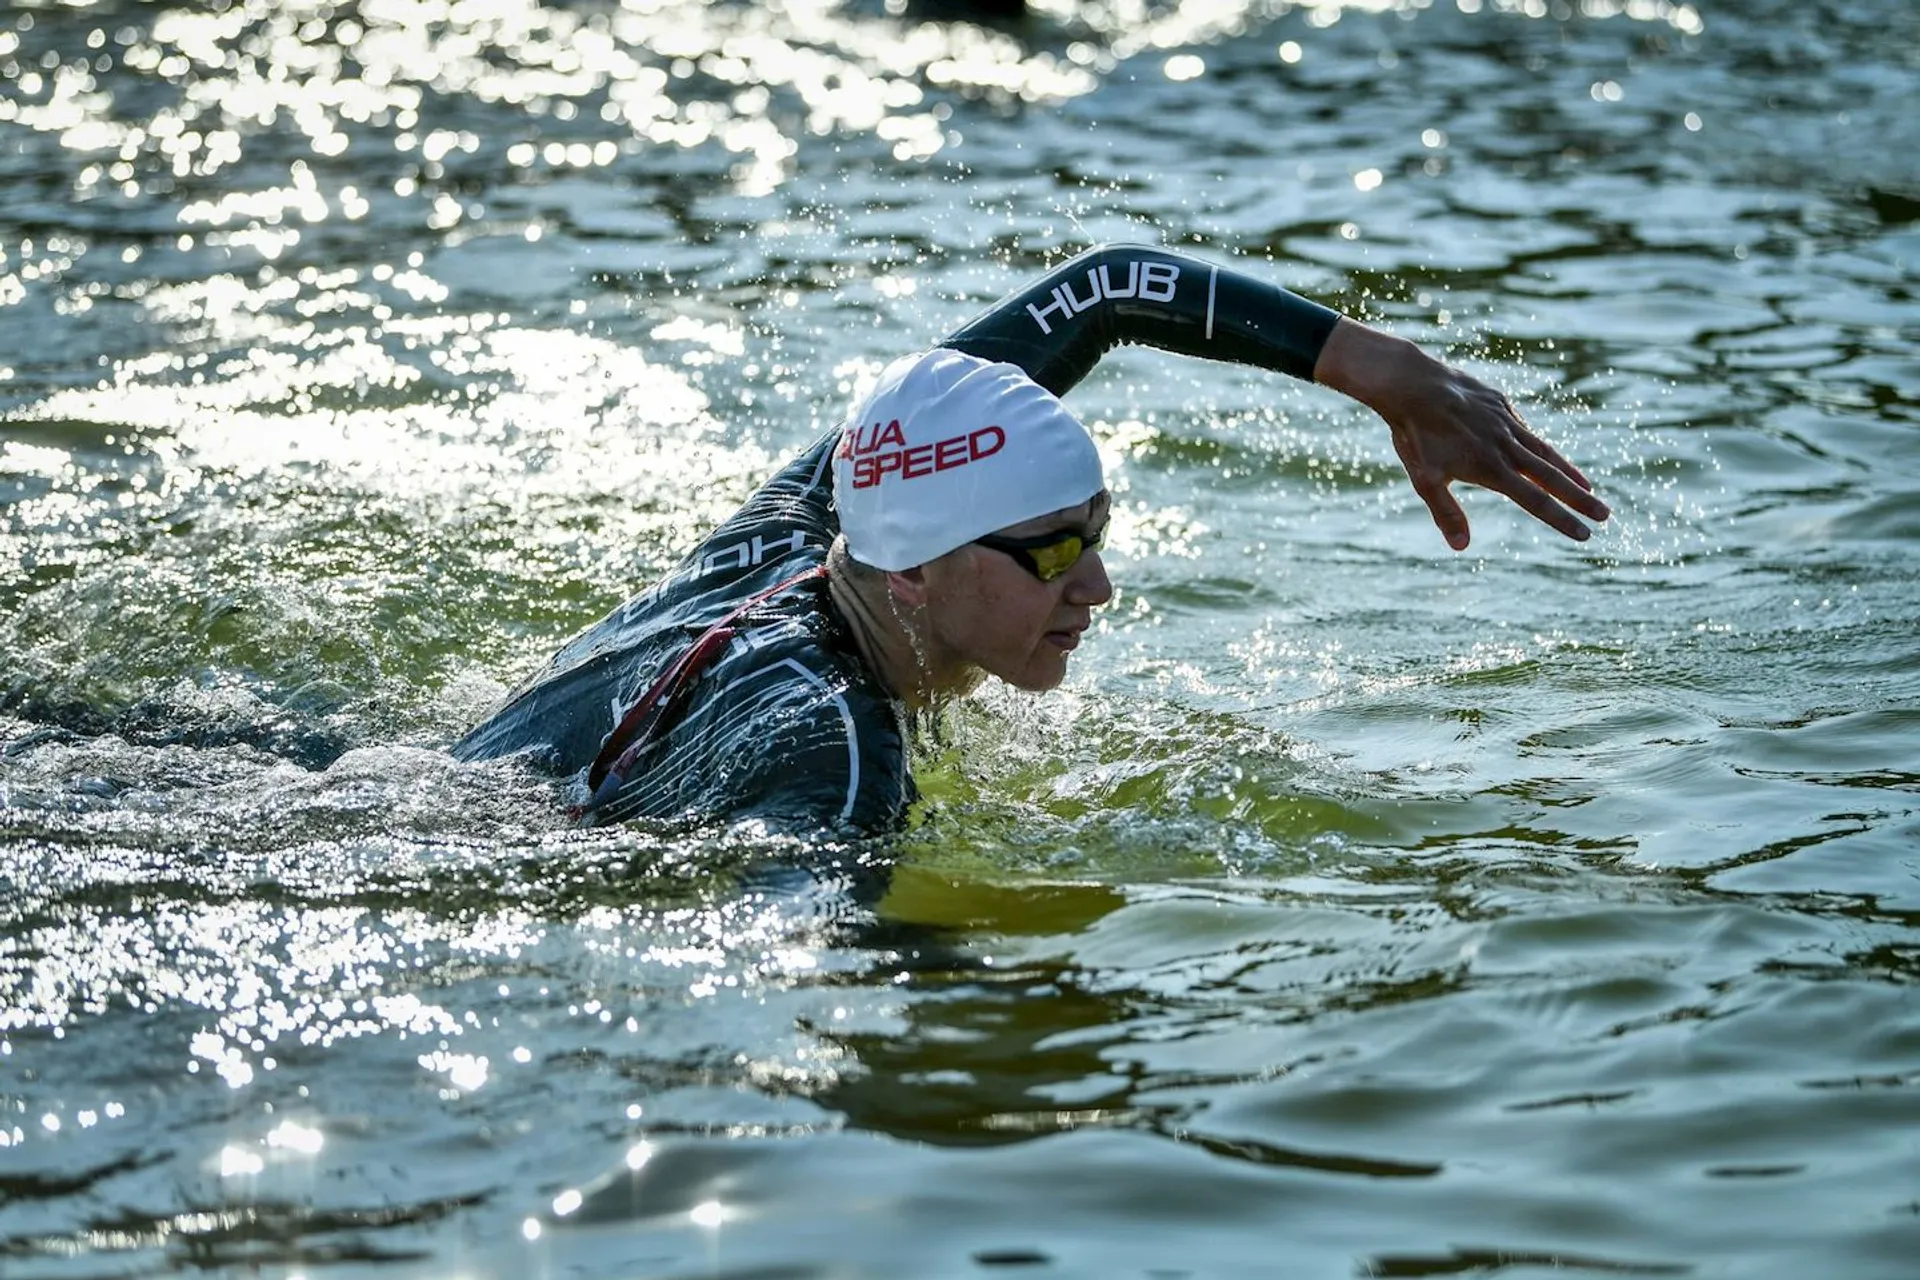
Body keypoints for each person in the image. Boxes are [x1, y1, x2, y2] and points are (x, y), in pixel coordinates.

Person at [452, 243, 1609, 834]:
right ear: (915, 573)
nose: (1098, 586)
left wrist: (1384, 371)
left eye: (1097, 534)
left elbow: (1105, 291)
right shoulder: (840, 756)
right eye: (1053, 552)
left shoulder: (824, 511)